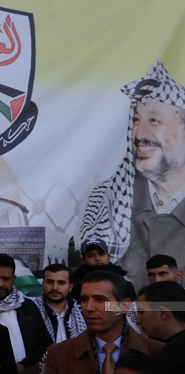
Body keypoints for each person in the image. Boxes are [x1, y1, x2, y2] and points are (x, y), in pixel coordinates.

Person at [79, 61, 185, 286]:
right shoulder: (104, 200)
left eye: (154, 120)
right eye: (136, 120)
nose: (139, 133)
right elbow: (100, 304)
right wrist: (128, 312)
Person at [0, 252, 51, 374]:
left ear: (14, 278)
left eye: (6, 279)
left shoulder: (27, 306)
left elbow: (45, 343)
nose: (0, 284)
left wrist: (24, 365)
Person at [32, 263, 87, 345]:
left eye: (61, 283)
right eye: (50, 282)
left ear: (70, 287)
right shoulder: (30, 311)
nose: (55, 287)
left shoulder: (83, 311)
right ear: (43, 284)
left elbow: (112, 311)